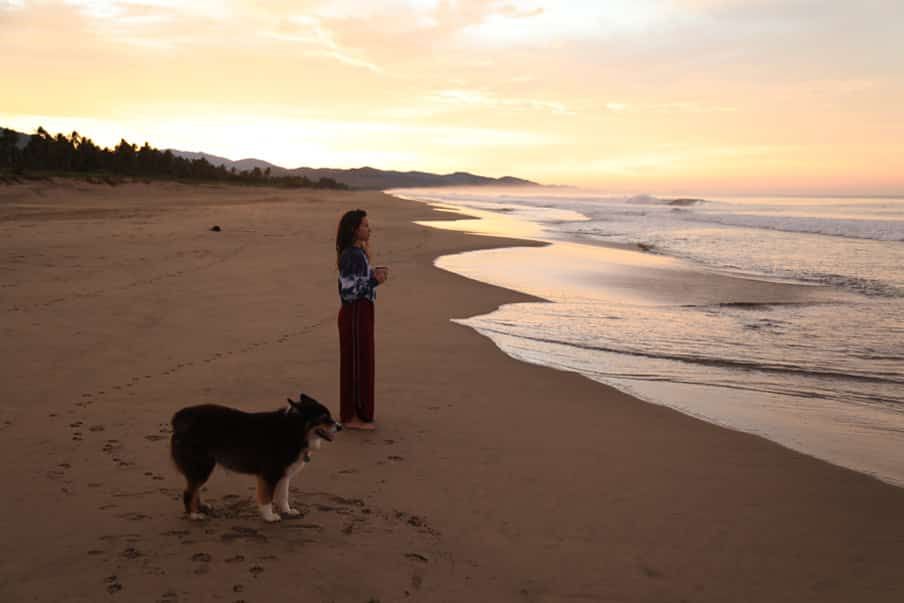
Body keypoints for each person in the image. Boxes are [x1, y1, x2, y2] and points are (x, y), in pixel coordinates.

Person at [336, 209, 388, 430]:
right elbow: (348, 292)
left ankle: (358, 413)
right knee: (357, 363)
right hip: (355, 313)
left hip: (362, 312)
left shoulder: (358, 253)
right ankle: (353, 417)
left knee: (362, 360)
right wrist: (375, 281)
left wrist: (372, 275)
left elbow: (354, 283)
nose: (369, 229)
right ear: (354, 230)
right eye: (365, 225)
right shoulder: (352, 255)